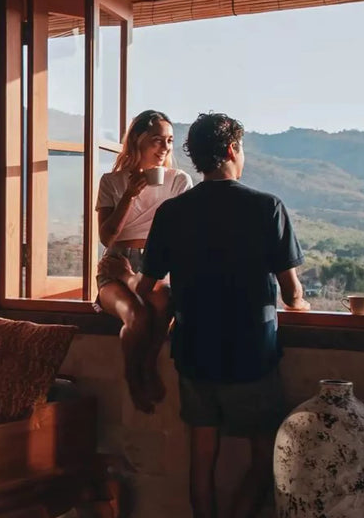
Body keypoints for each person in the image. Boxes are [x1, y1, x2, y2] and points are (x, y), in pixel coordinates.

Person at [135, 112, 310, 518]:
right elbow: (292, 292)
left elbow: (146, 287)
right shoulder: (267, 208)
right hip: (251, 355)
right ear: (232, 149)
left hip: (194, 353)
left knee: (202, 460)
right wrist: (299, 305)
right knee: (266, 458)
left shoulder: (172, 213)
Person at [95, 109, 193, 413]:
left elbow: (183, 234)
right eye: (156, 140)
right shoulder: (111, 181)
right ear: (137, 141)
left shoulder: (179, 181)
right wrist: (129, 195)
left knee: (165, 304)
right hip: (116, 265)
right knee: (136, 316)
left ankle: (148, 366)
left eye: (169, 141)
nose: (164, 148)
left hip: (155, 262)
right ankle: (133, 378)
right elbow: (107, 238)